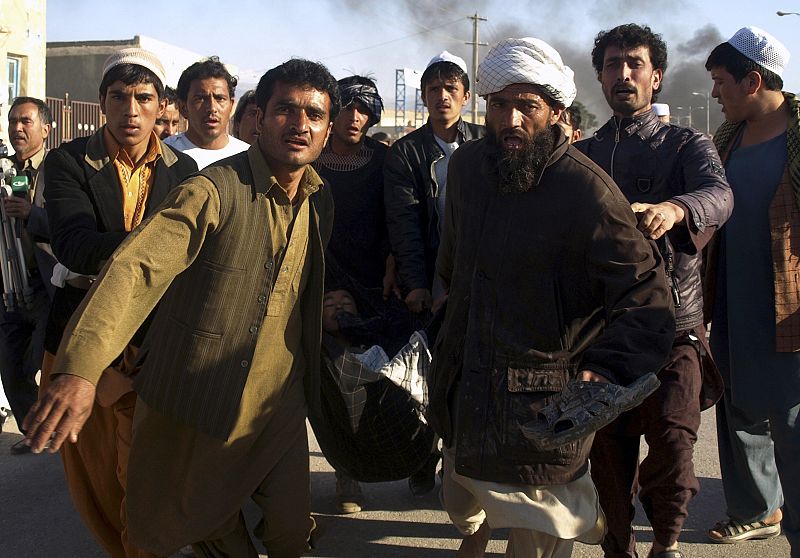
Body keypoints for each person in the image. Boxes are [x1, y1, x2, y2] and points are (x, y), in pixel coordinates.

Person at [25, 58, 339, 558]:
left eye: (314, 115)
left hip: (278, 399)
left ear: (327, 129)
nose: (300, 125)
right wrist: (81, 369)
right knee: (204, 525)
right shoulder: (211, 189)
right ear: (257, 117)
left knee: (288, 530)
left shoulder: (319, 199)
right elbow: (136, 268)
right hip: (206, 397)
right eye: (285, 110)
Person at [429, 36, 675, 558]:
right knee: (465, 508)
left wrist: (605, 371)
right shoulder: (470, 169)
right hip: (466, 393)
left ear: (557, 111)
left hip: (539, 408)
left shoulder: (587, 191)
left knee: (539, 541)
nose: (511, 120)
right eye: (499, 105)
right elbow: (451, 266)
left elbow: (647, 298)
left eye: (527, 106)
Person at [575, 23, 733, 558]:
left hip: (675, 327)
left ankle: (666, 542)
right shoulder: (585, 154)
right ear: (599, 77)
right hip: (603, 331)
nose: (623, 73)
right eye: (613, 64)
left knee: (673, 446)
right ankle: (617, 546)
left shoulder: (688, 143)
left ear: (655, 77)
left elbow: (719, 195)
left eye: (634, 63)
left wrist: (675, 208)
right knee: (608, 454)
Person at [37, 48, 197, 557]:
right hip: (82, 334)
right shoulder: (68, 161)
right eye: (119, 97)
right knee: (100, 478)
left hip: (154, 336)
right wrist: (155, 250)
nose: (131, 110)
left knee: (147, 472)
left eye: (143, 98)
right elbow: (75, 244)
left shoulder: (183, 167)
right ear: (102, 103)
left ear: (162, 104)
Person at [703, 26, 799, 555]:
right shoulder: (726, 141)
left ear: (753, 80)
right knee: (736, 405)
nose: (715, 93)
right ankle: (755, 509)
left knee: (789, 416)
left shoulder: (799, 139)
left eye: (720, 82)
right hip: (731, 298)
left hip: (787, 304)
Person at [384, 50, 485, 317]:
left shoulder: (486, 143)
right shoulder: (406, 152)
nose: (443, 96)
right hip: (432, 270)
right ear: (423, 96)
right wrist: (416, 284)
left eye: (451, 88)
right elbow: (404, 220)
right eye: (434, 89)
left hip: (482, 267)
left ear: (466, 97)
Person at [0, 96, 56, 454]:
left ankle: (54, 427)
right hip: (8, 283)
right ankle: (34, 431)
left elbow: (72, 226)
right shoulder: (6, 171)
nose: (17, 128)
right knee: (10, 364)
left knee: (41, 360)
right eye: (12, 122)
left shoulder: (62, 168)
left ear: (45, 129)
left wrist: (31, 215)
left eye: (26, 121)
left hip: (46, 283)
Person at [165, 56, 249, 168]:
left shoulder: (248, 158)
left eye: (220, 98)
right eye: (200, 98)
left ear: (231, 106)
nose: (212, 108)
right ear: (183, 107)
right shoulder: (164, 155)